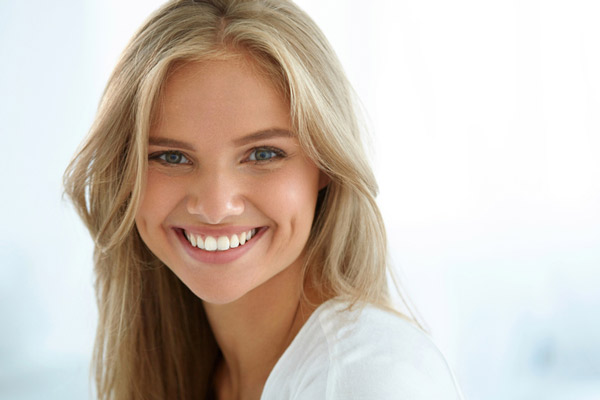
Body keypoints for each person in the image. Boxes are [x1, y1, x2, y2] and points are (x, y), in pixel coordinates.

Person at [64, 0, 464, 398]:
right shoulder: (196, 369)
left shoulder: (367, 382)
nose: (216, 206)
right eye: (171, 157)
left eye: (262, 154)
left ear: (325, 165)